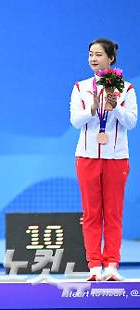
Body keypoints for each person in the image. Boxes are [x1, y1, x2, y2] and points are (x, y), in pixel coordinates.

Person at [69, 38, 137, 281]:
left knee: (113, 212)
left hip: (116, 157)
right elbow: (75, 121)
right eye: (90, 54)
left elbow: (130, 122)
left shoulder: (126, 88)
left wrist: (114, 107)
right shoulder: (81, 87)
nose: (93, 59)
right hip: (86, 156)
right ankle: (94, 266)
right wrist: (92, 108)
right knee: (91, 213)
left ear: (111, 58)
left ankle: (111, 265)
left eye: (98, 54)